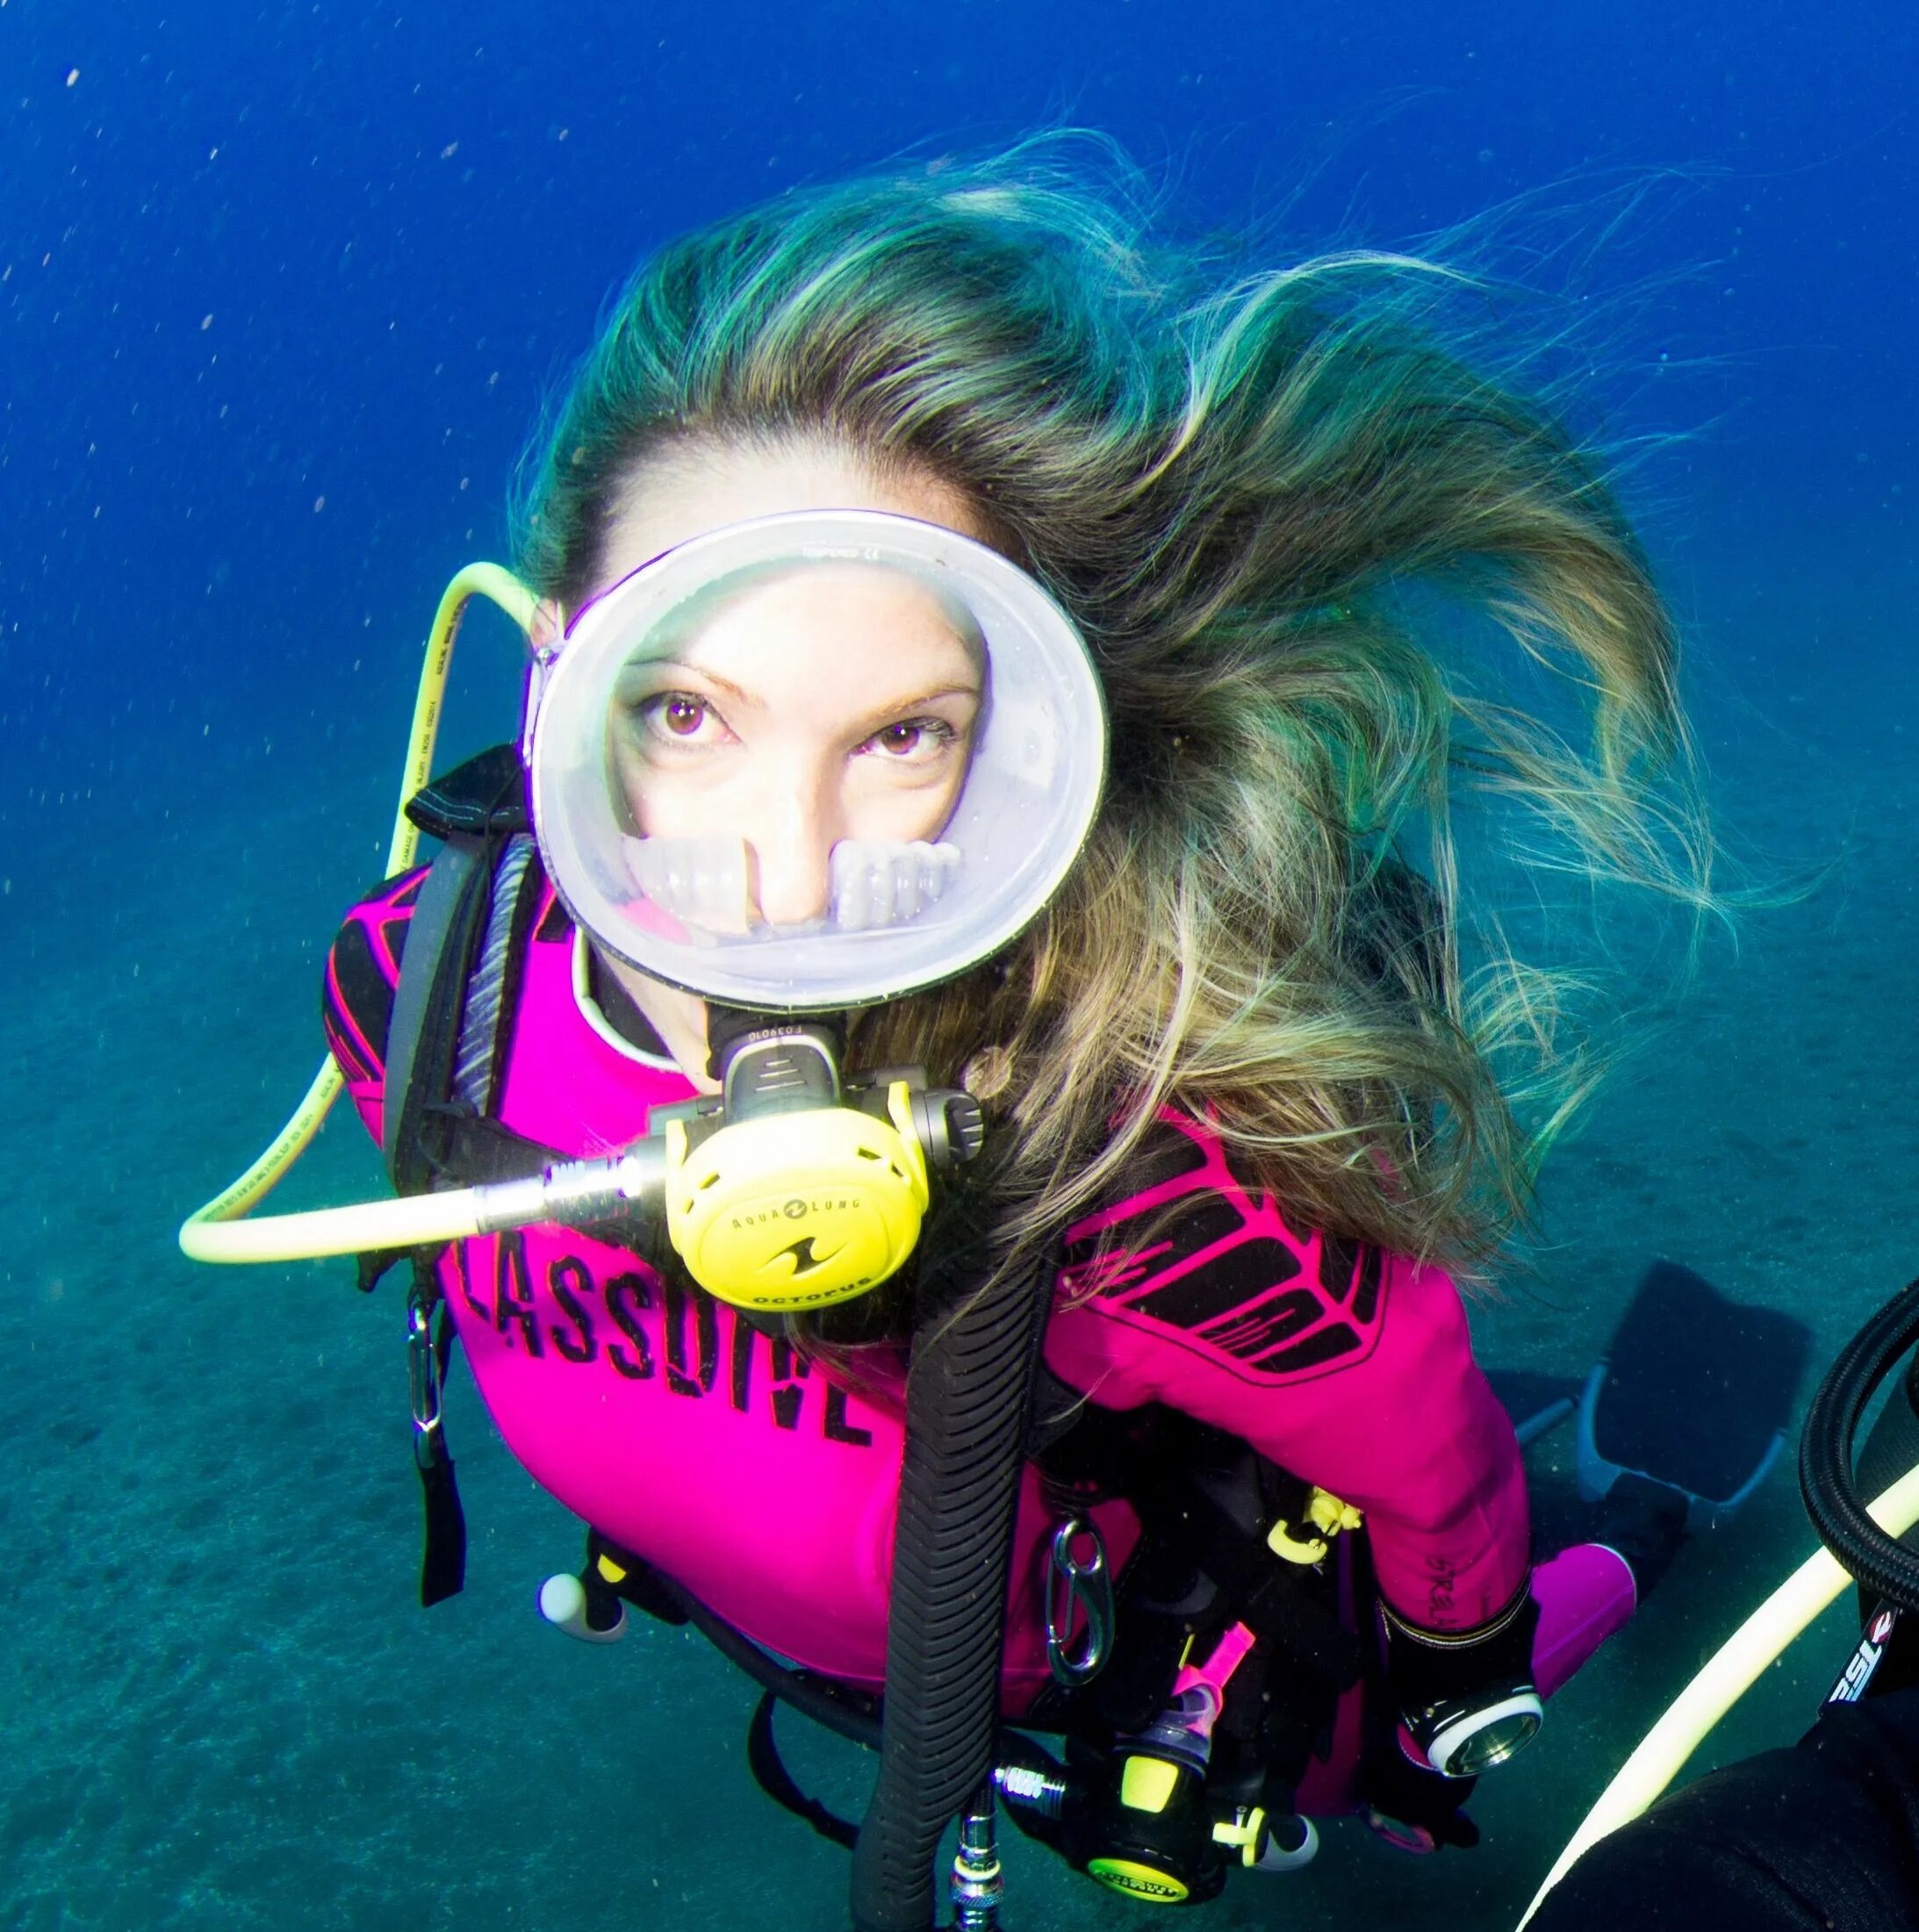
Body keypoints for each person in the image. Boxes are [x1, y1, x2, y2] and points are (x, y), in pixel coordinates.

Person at [313, 140, 1724, 1907]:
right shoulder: (418, 988)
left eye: (901, 735)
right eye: (685, 711)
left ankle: (1637, 1515)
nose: (781, 878)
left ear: (1017, 741)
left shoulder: (1138, 1175)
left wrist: (1460, 1662)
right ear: (555, 677)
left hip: (1119, 1676)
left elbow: (1428, 1475)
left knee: (1395, 1753)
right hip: (828, 1660)